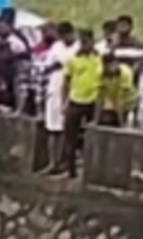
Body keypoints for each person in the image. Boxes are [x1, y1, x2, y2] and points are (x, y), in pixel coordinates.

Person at [57, 29, 102, 179]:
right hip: (76, 100)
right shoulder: (73, 59)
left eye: (87, 42)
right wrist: (64, 102)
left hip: (94, 101)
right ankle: (71, 170)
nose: (85, 45)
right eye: (82, 42)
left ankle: (90, 171)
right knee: (70, 137)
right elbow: (66, 82)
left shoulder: (99, 58)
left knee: (92, 137)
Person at [41, 22, 78, 173]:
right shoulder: (56, 46)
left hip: (72, 89)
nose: (64, 38)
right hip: (54, 87)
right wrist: (53, 66)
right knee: (52, 128)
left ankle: (63, 162)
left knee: (65, 129)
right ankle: (52, 162)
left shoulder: (79, 47)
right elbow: (46, 66)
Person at [98, 54, 137, 127]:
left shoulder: (125, 73)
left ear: (116, 63)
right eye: (108, 66)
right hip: (112, 102)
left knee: (122, 124)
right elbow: (100, 97)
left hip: (128, 102)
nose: (111, 68)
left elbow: (120, 99)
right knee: (105, 121)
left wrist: (122, 125)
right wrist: (95, 121)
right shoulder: (101, 74)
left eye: (113, 65)